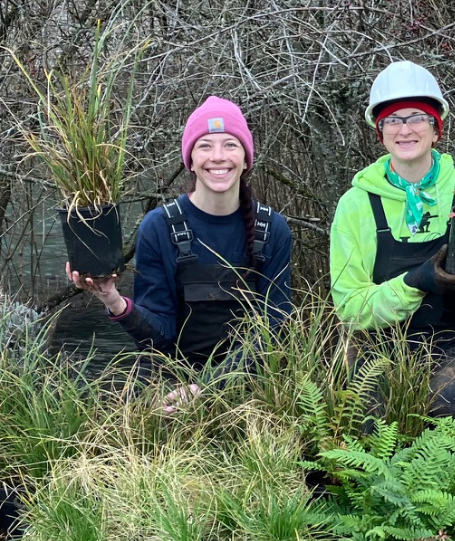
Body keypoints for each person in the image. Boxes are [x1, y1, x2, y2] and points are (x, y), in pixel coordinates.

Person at [329, 60, 455, 424]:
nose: (405, 129)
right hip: (379, 351)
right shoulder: (355, 205)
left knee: (451, 406)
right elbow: (350, 307)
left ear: (436, 129)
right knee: (373, 421)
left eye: (417, 117)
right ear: (380, 132)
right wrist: (415, 283)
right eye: (393, 119)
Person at [69, 96, 293, 402]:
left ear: (245, 158)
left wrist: (210, 388)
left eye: (230, 144)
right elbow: (158, 335)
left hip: (249, 389)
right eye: (205, 146)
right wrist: (114, 301)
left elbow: (275, 329)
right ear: (190, 160)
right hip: (171, 389)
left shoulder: (273, 229)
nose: (218, 156)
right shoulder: (159, 226)